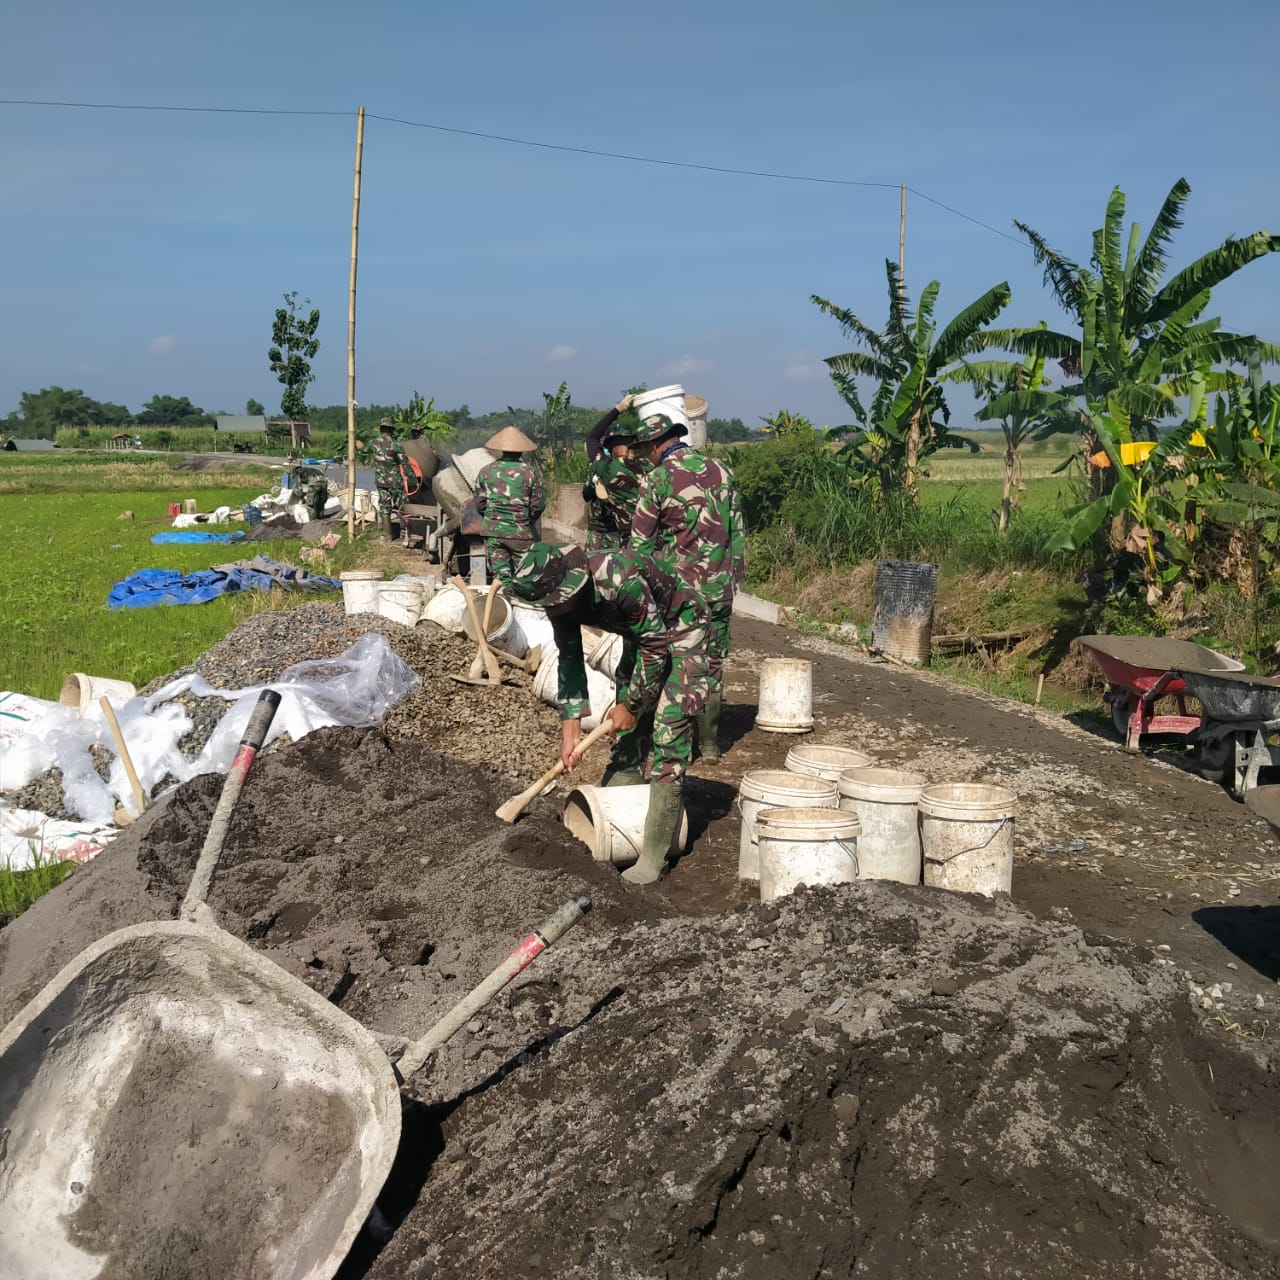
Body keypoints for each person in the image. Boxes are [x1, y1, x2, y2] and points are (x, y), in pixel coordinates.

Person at [507, 541, 710, 885]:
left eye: (558, 601)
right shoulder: (560, 605)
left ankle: (654, 854)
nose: (554, 610)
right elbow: (569, 660)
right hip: (641, 635)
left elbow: (658, 647)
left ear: (573, 583)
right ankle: (620, 803)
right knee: (626, 729)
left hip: (683, 626)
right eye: (548, 605)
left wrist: (632, 705)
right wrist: (570, 733)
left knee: (666, 726)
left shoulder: (620, 579)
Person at [630, 412, 745, 763]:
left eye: (644, 449)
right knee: (712, 661)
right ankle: (710, 745)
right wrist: (732, 578)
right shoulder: (723, 471)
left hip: (681, 592)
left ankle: (672, 741)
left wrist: (640, 592)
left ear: (654, 445)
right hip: (720, 587)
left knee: (675, 661)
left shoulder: (658, 479)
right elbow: (738, 532)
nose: (645, 456)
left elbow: (640, 547)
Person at [473, 426, 545, 586]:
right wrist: (525, 520)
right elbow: (538, 505)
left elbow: (479, 503)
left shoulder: (485, 471)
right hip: (520, 533)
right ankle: (522, 607)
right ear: (521, 451)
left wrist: (494, 518)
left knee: (501, 580)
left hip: (494, 534)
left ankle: (504, 607)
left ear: (501, 450)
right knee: (525, 578)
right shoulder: (531, 472)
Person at [581, 421, 647, 551]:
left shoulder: (603, 467)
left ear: (613, 447)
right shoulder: (647, 466)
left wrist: (595, 483)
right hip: (641, 535)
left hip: (605, 533)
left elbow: (586, 494)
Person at [356, 418, 410, 540]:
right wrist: (412, 481)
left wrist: (359, 446)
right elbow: (405, 464)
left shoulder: (373, 443)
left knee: (385, 507)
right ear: (391, 430)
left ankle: (388, 536)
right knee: (402, 506)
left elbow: (363, 452)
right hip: (396, 482)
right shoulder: (396, 445)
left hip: (381, 482)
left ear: (381, 429)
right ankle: (404, 533)